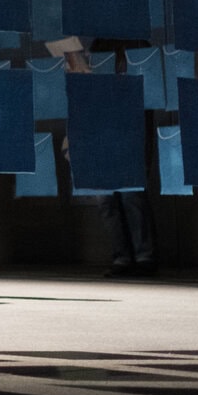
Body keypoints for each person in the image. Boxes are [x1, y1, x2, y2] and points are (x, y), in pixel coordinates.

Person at [61, 39, 159, 278]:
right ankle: (123, 257)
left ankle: (143, 256)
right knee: (108, 203)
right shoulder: (98, 50)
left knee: (130, 198)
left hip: (124, 137)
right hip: (98, 139)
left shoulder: (136, 52)